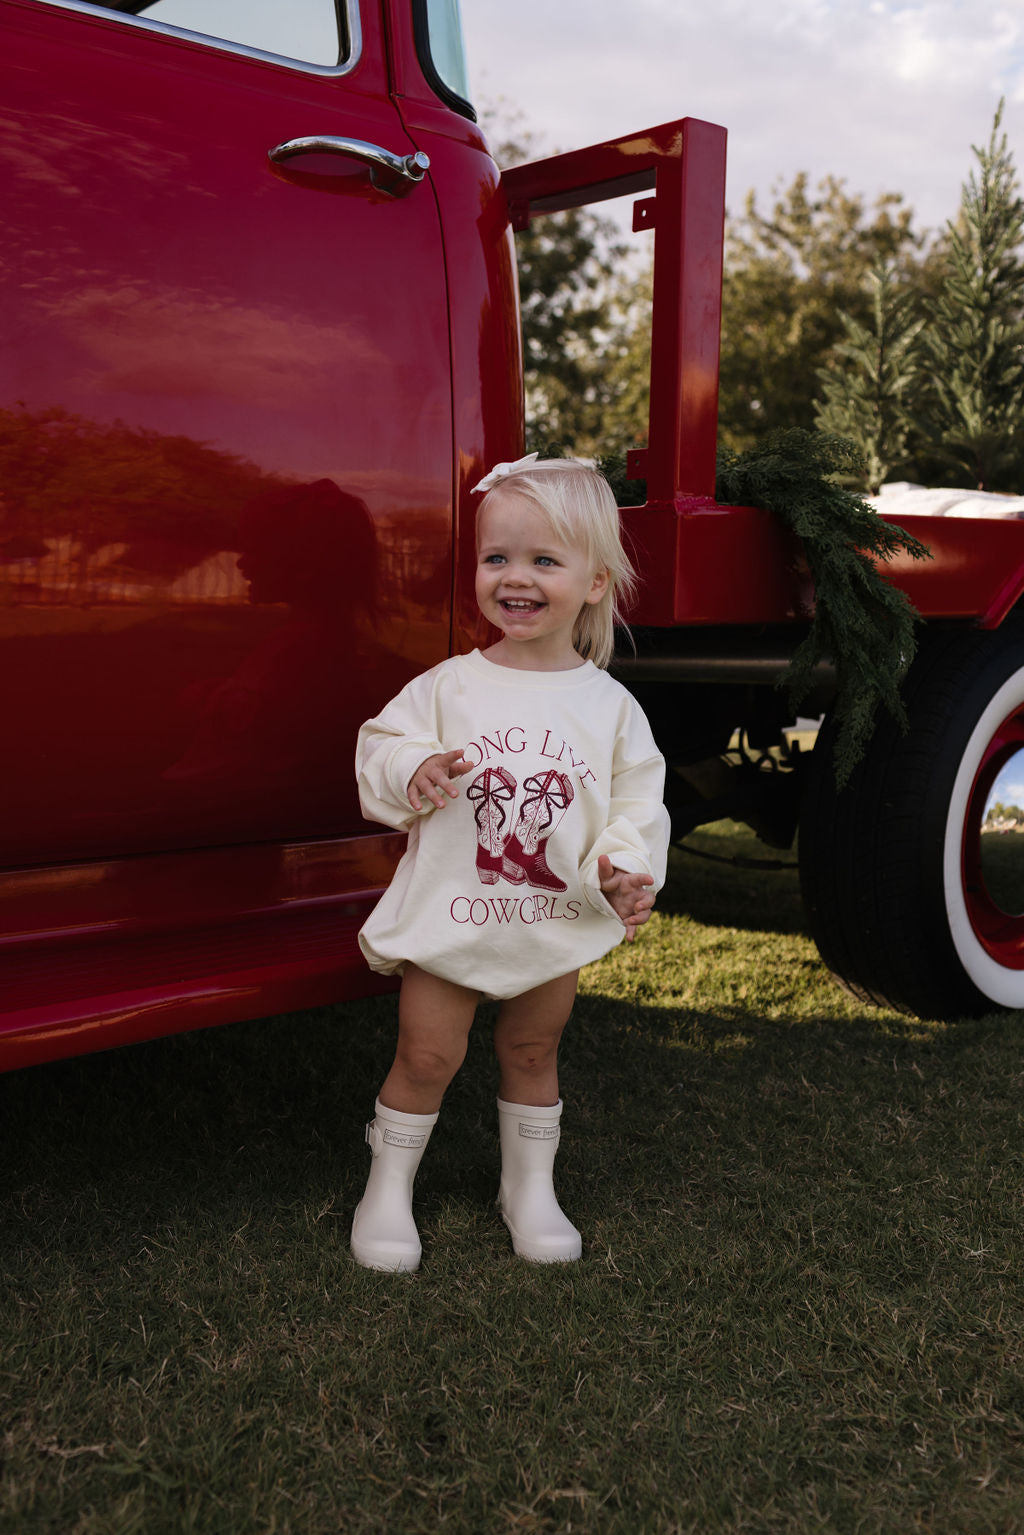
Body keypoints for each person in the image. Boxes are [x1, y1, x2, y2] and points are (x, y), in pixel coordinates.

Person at [351, 454, 671, 1272]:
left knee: (533, 1051)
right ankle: (387, 1185)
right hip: (456, 910)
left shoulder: (609, 708)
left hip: (550, 917)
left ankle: (528, 1188)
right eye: (497, 557)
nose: (515, 577)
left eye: (543, 560)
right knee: (427, 1055)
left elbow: (635, 804)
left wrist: (621, 870)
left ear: (595, 583)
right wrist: (410, 772)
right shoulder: (449, 687)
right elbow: (382, 744)